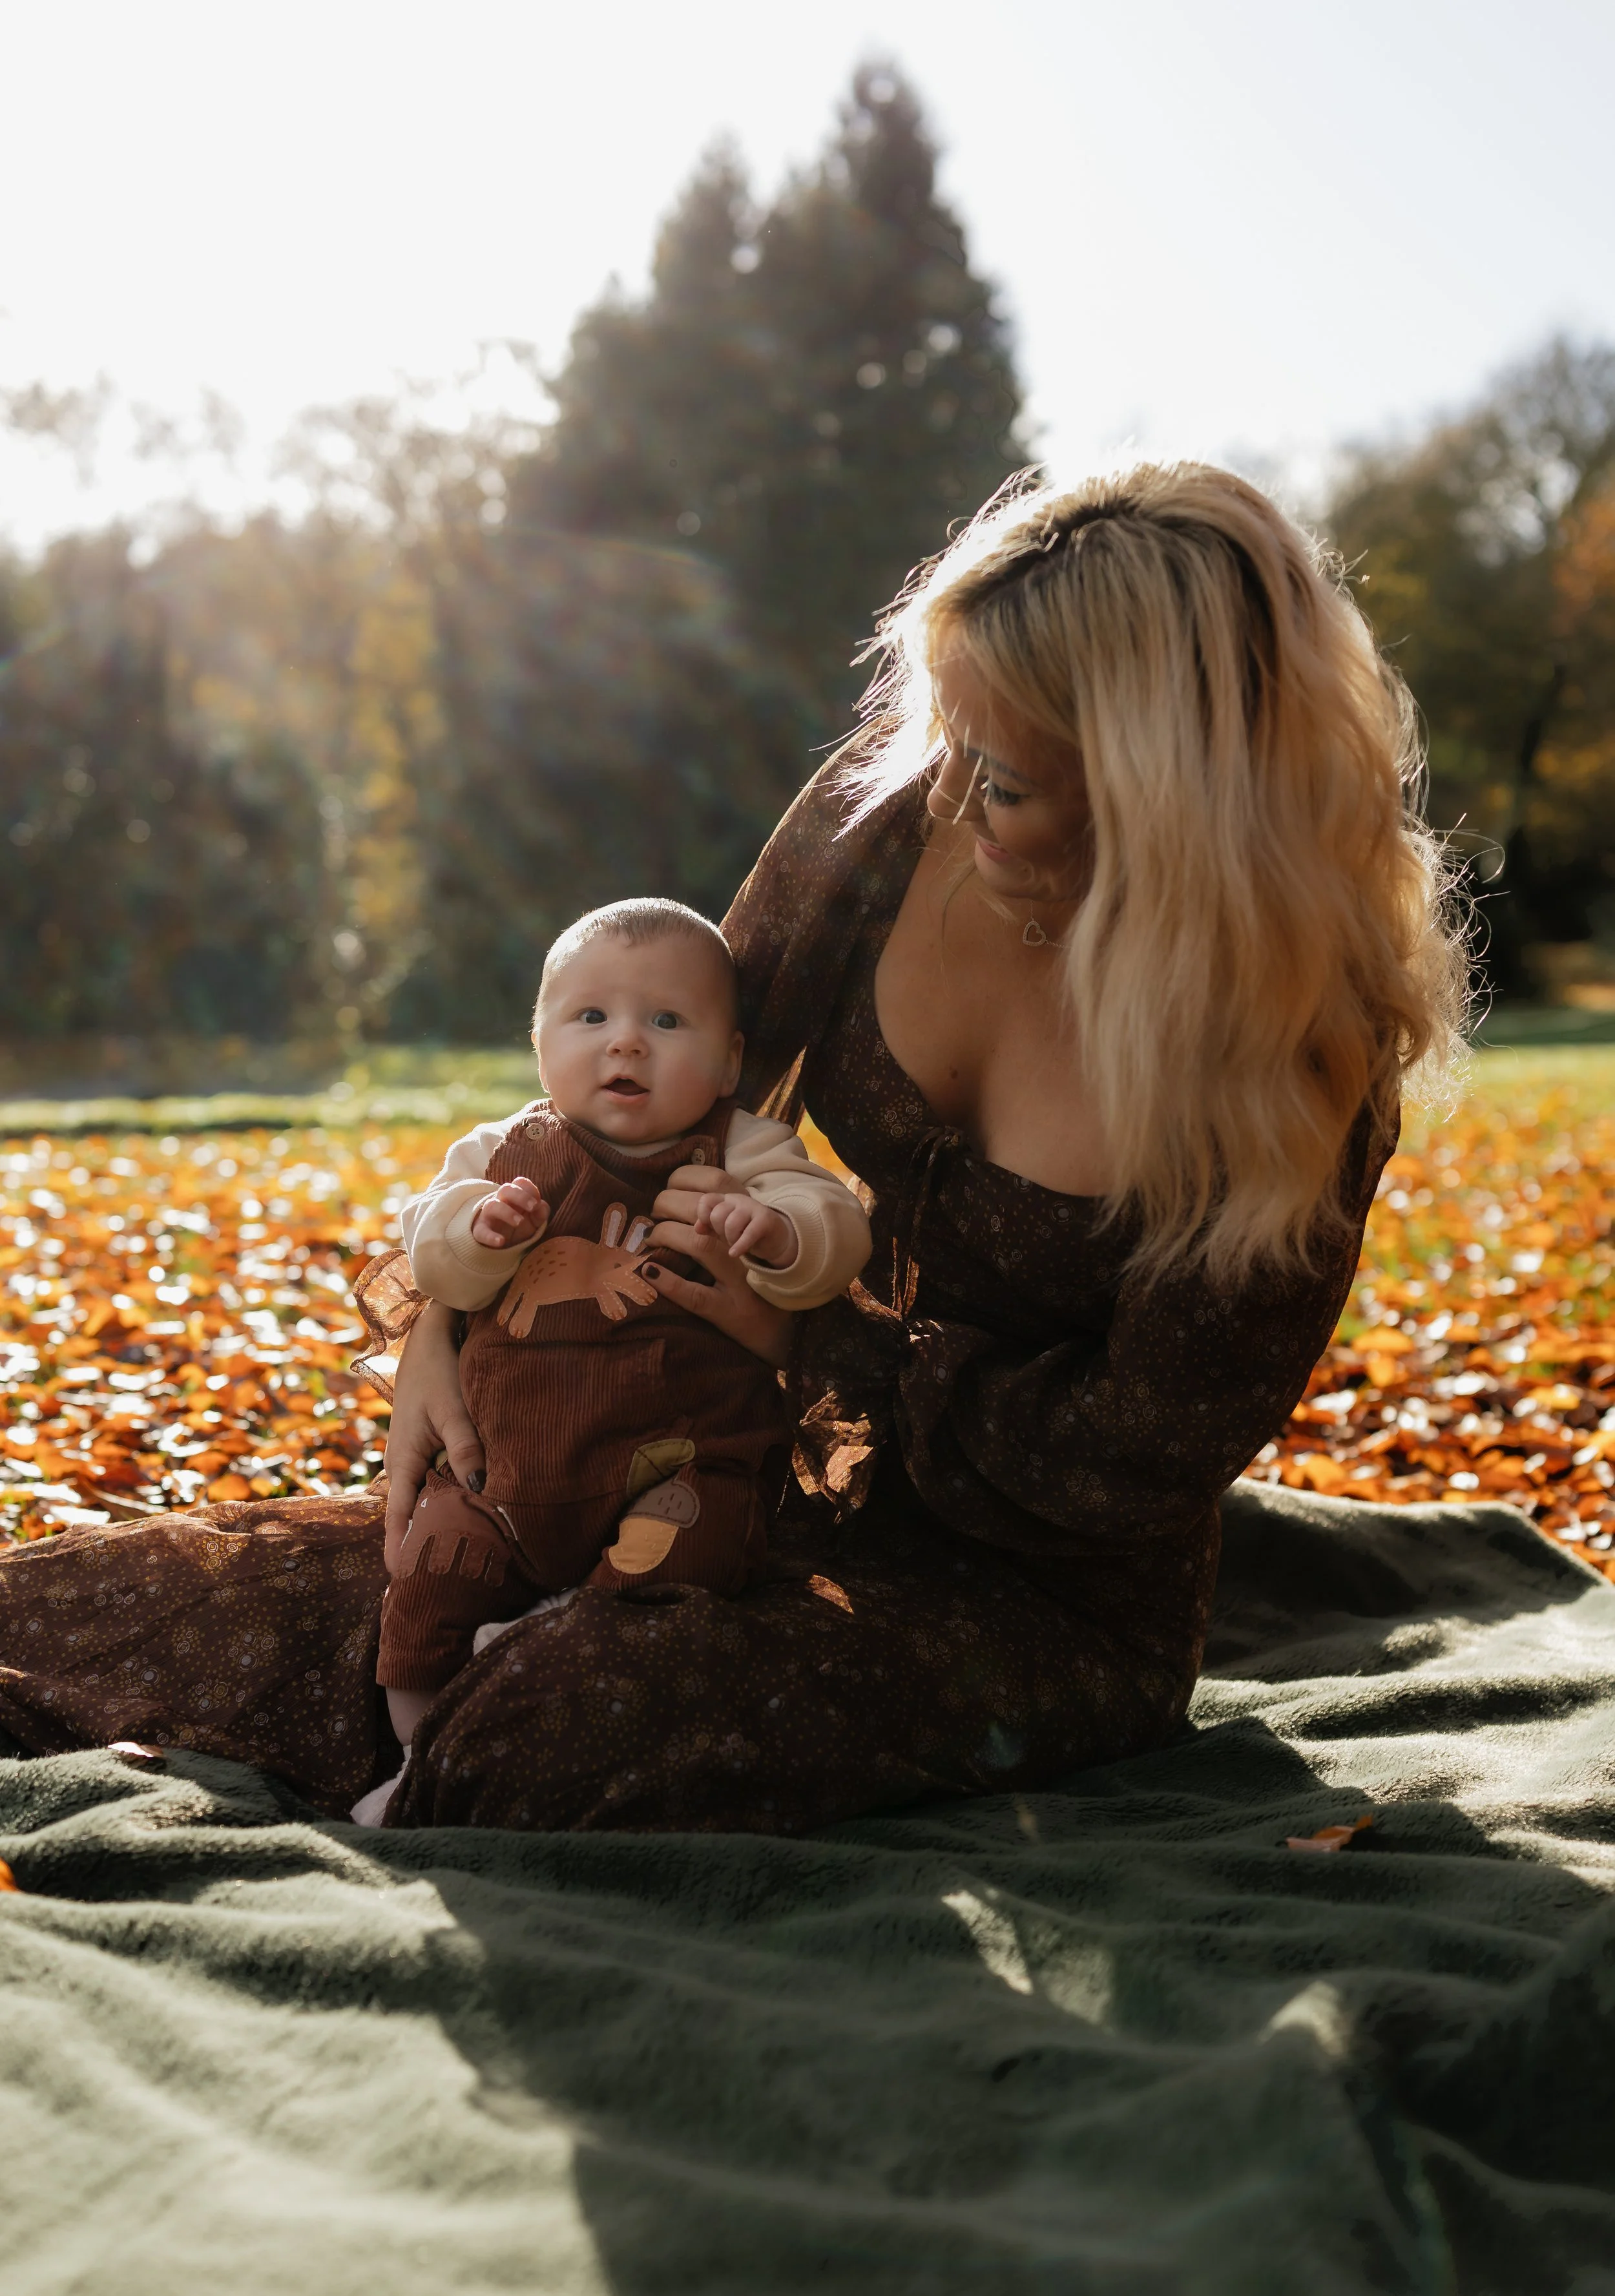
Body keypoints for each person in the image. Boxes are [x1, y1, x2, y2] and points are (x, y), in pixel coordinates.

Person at [0, 462, 1464, 1837]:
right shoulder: (889, 821)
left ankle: (432, 1763)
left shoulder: (1299, 1064)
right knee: (150, 1610)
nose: (956, 794)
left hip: (1032, 1596)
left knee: (560, 1715)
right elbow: (653, 1081)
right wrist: (443, 1329)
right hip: (690, 1451)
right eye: (956, 742)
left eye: (1010, 778)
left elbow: (1128, 1457)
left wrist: (813, 1338)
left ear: (1166, 794)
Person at [360, 897, 871, 1804]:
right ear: (541, 1045)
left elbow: (835, 1224)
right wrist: (479, 1233)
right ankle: (419, 1754)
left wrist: (780, 1232)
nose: (626, 1042)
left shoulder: (746, 1149)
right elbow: (430, 1248)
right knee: (429, 1574)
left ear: (729, 1062)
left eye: (667, 1021)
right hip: (503, 1478)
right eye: (591, 1016)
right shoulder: (503, 1152)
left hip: (676, 1472)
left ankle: (555, 1641)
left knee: (696, 1553)